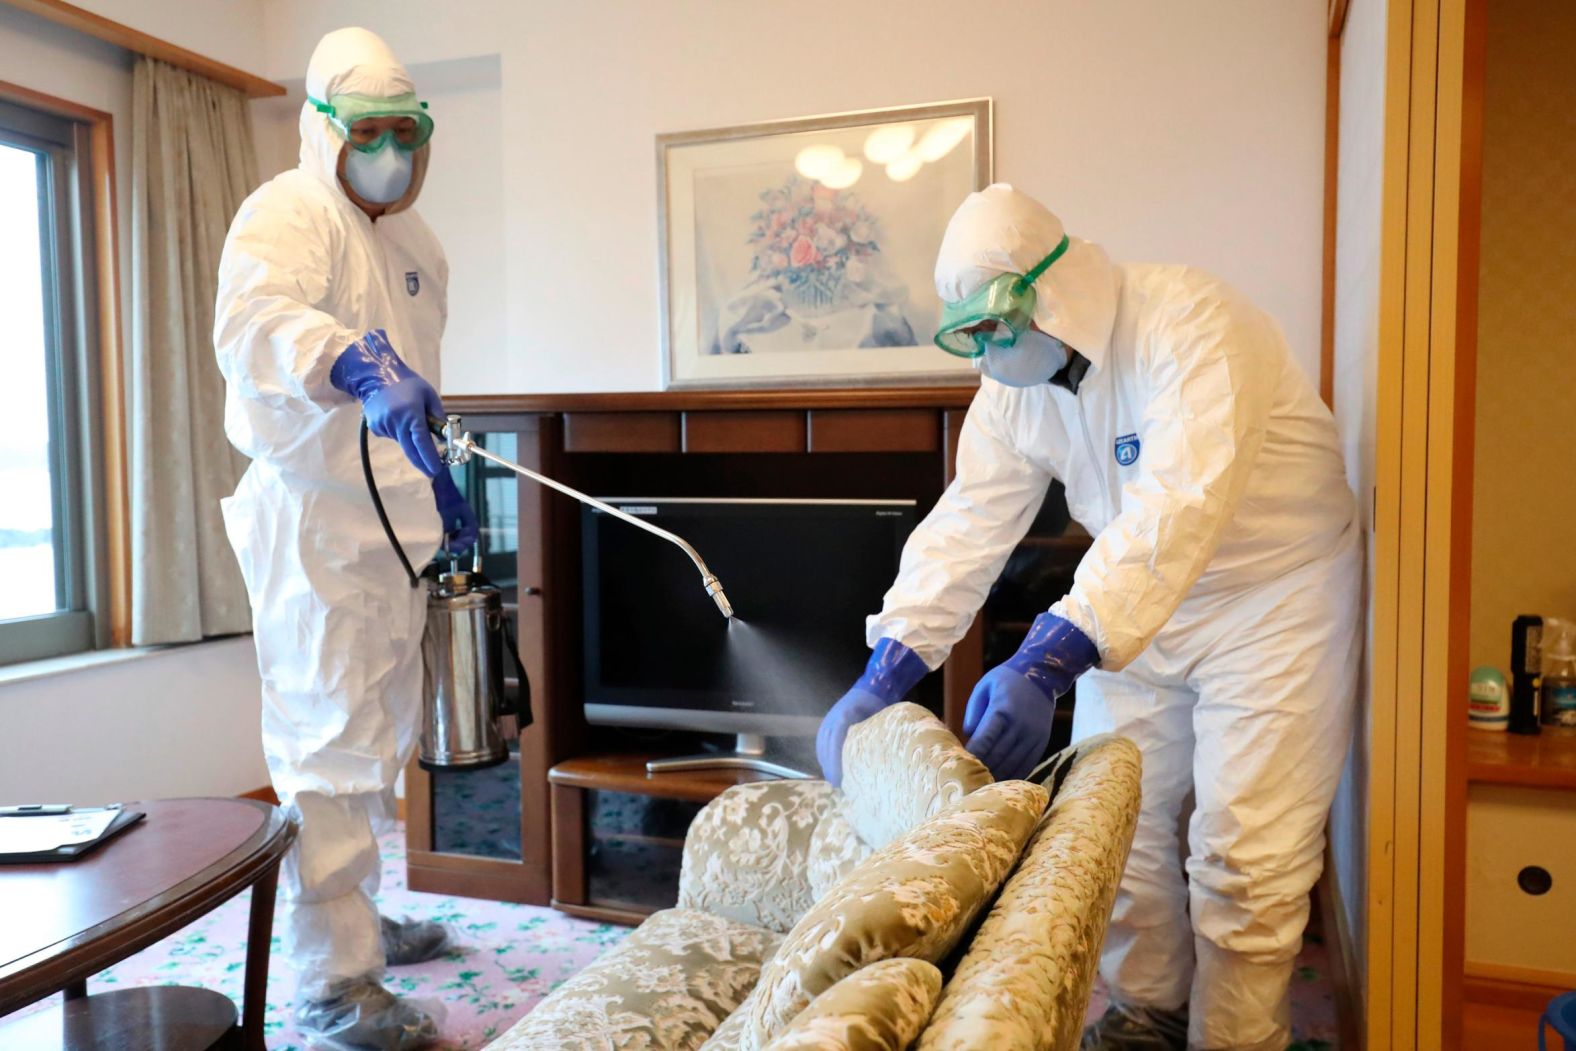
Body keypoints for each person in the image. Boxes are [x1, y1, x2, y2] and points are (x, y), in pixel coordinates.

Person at [816, 184, 1360, 1051]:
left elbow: (1179, 506)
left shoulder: (1194, 322)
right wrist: (886, 671)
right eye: (975, 335)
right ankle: (1150, 1015)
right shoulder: (1014, 387)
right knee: (1119, 840)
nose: (990, 353)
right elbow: (967, 525)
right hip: (1132, 607)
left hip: (1272, 600)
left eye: (998, 326)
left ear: (1052, 290)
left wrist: (1043, 661)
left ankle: (1236, 1041)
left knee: (1246, 862)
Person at [214, 26, 477, 1051]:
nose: (389, 151)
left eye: (405, 132)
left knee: (381, 736)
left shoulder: (419, 246)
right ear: (324, 130)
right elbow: (253, 323)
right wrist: (353, 364)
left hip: (391, 526)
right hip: (313, 521)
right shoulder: (288, 211)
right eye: (368, 131)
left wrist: (440, 483)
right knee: (327, 747)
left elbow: (420, 391)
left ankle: (361, 922)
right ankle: (333, 982)